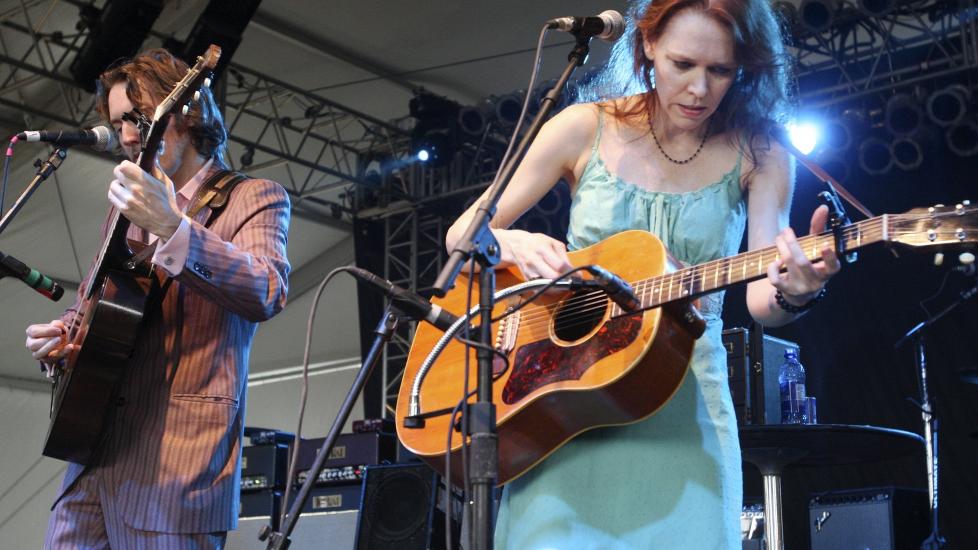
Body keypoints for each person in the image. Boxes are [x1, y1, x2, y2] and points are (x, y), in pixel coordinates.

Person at [445, 0, 841, 548]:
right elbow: (463, 233)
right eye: (683, 64)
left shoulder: (762, 149)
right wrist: (510, 241)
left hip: (685, 403)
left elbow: (761, 302)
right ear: (648, 45)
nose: (700, 89)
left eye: (721, 70)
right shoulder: (584, 126)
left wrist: (797, 291)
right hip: (568, 397)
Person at [24, 48, 290, 548]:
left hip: (176, 465)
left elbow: (267, 289)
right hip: (93, 456)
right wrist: (64, 335)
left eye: (137, 118)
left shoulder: (254, 196)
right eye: (118, 121)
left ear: (185, 114)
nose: (125, 135)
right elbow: (98, 304)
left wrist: (172, 226)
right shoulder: (124, 209)